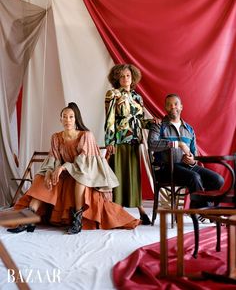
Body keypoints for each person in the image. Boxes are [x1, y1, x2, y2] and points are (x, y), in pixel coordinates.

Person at [7, 102, 140, 234]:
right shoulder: (56, 137)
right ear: (60, 119)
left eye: (71, 117)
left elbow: (84, 165)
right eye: (64, 116)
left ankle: (77, 218)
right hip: (64, 175)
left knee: (80, 178)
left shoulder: (86, 136)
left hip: (83, 174)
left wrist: (62, 168)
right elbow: (53, 158)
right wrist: (49, 172)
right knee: (42, 177)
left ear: (76, 119)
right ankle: (28, 219)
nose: (67, 120)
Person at [148, 93, 224, 222]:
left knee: (217, 179)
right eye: (169, 105)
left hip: (187, 167)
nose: (173, 107)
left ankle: (208, 210)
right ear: (165, 108)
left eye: (176, 104)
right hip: (165, 168)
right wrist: (177, 144)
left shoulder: (189, 129)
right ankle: (203, 212)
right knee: (194, 177)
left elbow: (194, 153)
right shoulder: (158, 126)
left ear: (181, 107)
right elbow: (151, 145)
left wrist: (192, 159)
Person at [104, 64, 154, 225]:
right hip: (119, 140)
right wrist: (110, 141)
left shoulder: (138, 98)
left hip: (134, 141)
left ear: (133, 78)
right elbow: (109, 118)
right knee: (118, 174)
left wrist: (151, 123)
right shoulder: (113, 94)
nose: (125, 79)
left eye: (128, 76)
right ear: (117, 78)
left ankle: (140, 209)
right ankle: (116, 211)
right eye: (122, 76)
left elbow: (139, 121)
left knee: (133, 176)